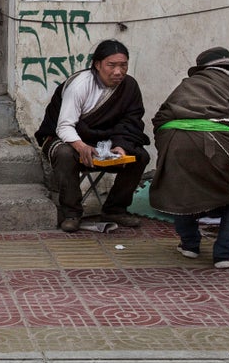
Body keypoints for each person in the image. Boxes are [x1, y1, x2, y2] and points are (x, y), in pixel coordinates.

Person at [150, 47, 229, 269]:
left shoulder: (185, 85)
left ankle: (190, 245)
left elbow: (160, 118)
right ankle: (225, 253)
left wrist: (168, 147)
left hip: (173, 139)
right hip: (217, 138)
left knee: (181, 188)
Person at [33, 39, 150, 233]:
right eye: (111, 65)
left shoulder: (129, 86)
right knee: (64, 154)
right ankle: (71, 213)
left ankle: (115, 209)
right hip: (63, 138)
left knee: (140, 157)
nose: (118, 72)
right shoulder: (80, 85)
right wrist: (81, 147)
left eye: (123, 65)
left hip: (103, 141)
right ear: (97, 64)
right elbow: (64, 126)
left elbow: (131, 121)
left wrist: (121, 145)